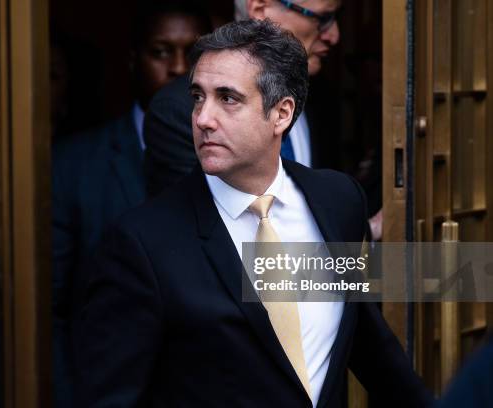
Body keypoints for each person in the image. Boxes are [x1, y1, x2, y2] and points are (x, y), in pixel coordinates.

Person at [74, 20, 433, 407]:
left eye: (227, 98)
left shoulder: (337, 200)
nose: (202, 118)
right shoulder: (141, 243)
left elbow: (364, 337)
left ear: (281, 113)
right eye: (199, 97)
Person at [51, 2, 211, 406]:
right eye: (161, 52)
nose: (178, 68)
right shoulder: (75, 165)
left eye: (193, 55)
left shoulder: (241, 161)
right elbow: (53, 308)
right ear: (132, 61)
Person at [144, 0, 341, 196]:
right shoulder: (176, 110)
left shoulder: (322, 97)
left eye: (228, 98)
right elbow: (188, 219)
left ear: (285, 111)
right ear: (260, 9)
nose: (334, 35)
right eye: (322, 18)